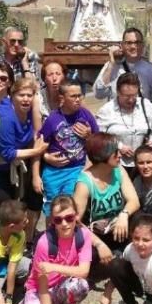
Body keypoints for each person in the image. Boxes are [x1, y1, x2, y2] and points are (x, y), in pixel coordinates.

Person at [15, 195, 92, 304]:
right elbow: (42, 287)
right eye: (58, 220)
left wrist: (52, 267)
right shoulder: (45, 242)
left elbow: (84, 271)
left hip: (60, 287)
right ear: (52, 221)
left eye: (69, 218)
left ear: (76, 216)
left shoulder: (84, 235)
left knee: (81, 285)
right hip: (39, 291)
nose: (64, 223)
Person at [72, 133, 141, 281]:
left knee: (140, 220)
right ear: (102, 156)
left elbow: (134, 201)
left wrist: (124, 215)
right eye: (115, 152)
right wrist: (99, 244)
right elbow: (74, 222)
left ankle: (125, 257)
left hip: (117, 227)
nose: (119, 155)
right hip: (95, 233)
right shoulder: (84, 183)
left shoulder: (118, 170)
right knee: (95, 261)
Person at [35, 79, 99, 217]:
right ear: (62, 98)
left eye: (79, 95)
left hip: (76, 169)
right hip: (53, 172)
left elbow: (99, 140)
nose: (77, 99)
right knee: (52, 209)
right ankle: (51, 237)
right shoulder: (53, 119)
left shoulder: (86, 115)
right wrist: (36, 175)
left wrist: (89, 136)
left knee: (70, 205)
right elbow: (38, 146)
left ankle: (69, 236)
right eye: (73, 96)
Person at [0, 77, 48, 235]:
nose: (26, 99)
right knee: (4, 210)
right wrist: (37, 152)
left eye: (29, 95)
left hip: (21, 162)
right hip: (1, 166)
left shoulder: (31, 109)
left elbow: (38, 133)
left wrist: (36, 103)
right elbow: (8, 153)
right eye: (21, 95)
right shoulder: (6, 117)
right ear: (12, 95)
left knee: (28, 201)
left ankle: (24, 239)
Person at [96, 72, 152, 180]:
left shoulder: (146, 105)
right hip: (116, 163)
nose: (131, 99)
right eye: (127, 96)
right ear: (118, 92)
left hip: (142, 165)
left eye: (134, 95)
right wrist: (119, 146)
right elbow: (99, 137)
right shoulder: (107, 110)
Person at [95, 27, 152, 106]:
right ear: (122, 45)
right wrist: (111, 63)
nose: (133, 46)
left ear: (142, 45)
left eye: (137, 42)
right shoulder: (112, 66)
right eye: (129, 43)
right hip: (117, 115)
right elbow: (99, 94)